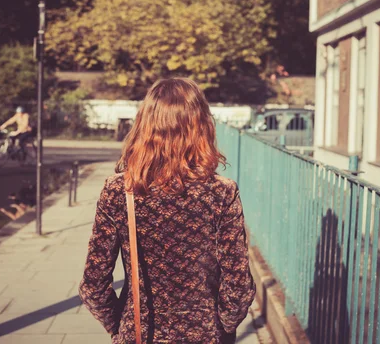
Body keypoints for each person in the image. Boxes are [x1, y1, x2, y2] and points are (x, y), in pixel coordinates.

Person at [79, 78, 256, 343]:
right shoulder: (221, 192)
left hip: (141, 333)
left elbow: (93, 284)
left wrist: (121, 325)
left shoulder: (120, 190)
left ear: (144, 126)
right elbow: (239, 286)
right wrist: (222, 327)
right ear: (202, 126)